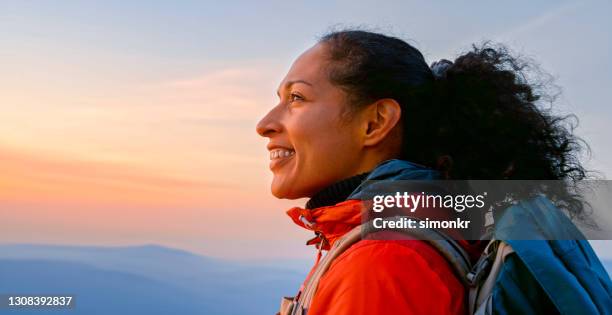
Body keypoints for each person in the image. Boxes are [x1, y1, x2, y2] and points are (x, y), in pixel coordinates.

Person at [256, 30, 608, 314]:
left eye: (297, 98)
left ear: (375, 123)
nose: (265, 124)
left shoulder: (383, 265)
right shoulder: (388, 242)